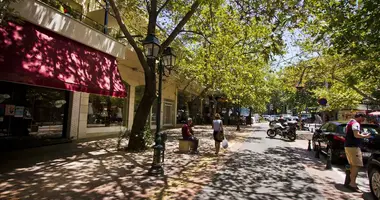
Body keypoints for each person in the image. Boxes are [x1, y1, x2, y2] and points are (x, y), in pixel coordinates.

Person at [344, 113, 372, 191]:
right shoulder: (356, 124)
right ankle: (352, 184)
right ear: (360, 117)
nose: (364, 120)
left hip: (348, 146)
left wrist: (362, 134)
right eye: (363, 118)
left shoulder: (350, 123)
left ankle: (349, 181)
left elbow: (353, 134)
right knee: (356, 165)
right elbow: (356, 135)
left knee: (352, 164)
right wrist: (366, 136)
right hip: (354, 147)